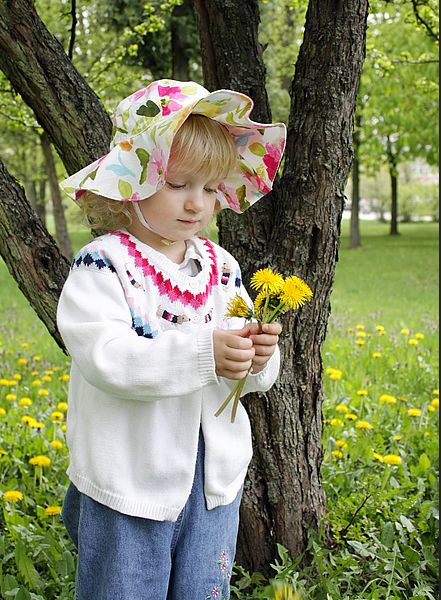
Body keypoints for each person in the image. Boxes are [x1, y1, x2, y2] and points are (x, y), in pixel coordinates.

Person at [56, 79, 286, 600]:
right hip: (131, 475)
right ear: (133, 181)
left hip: (213, 481)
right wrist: (206, 352)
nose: (196, 204)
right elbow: (107, 359)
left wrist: (255, 358)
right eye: (178, 183)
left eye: (209, 189)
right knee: (124, 587)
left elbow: (246, 377)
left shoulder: (220, 266)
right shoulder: (105, 265)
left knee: (203, 588)